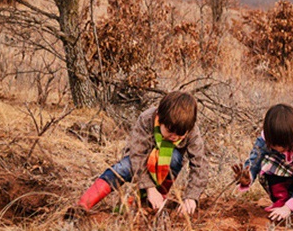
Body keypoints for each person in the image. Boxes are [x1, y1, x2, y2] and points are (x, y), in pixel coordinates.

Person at [72, 91, 207, 216]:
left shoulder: (191, 131)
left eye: (180, 134)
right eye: (170, 131)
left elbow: (200, 165)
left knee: (175, 158)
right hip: (140, 161)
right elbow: (137, 155)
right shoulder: (147, 119)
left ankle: (155, 201)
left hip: (166, 168)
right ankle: (84, 204)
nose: (174, 137)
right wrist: (149, 187)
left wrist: (191, 197)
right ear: (160, 118)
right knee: (123, 167)